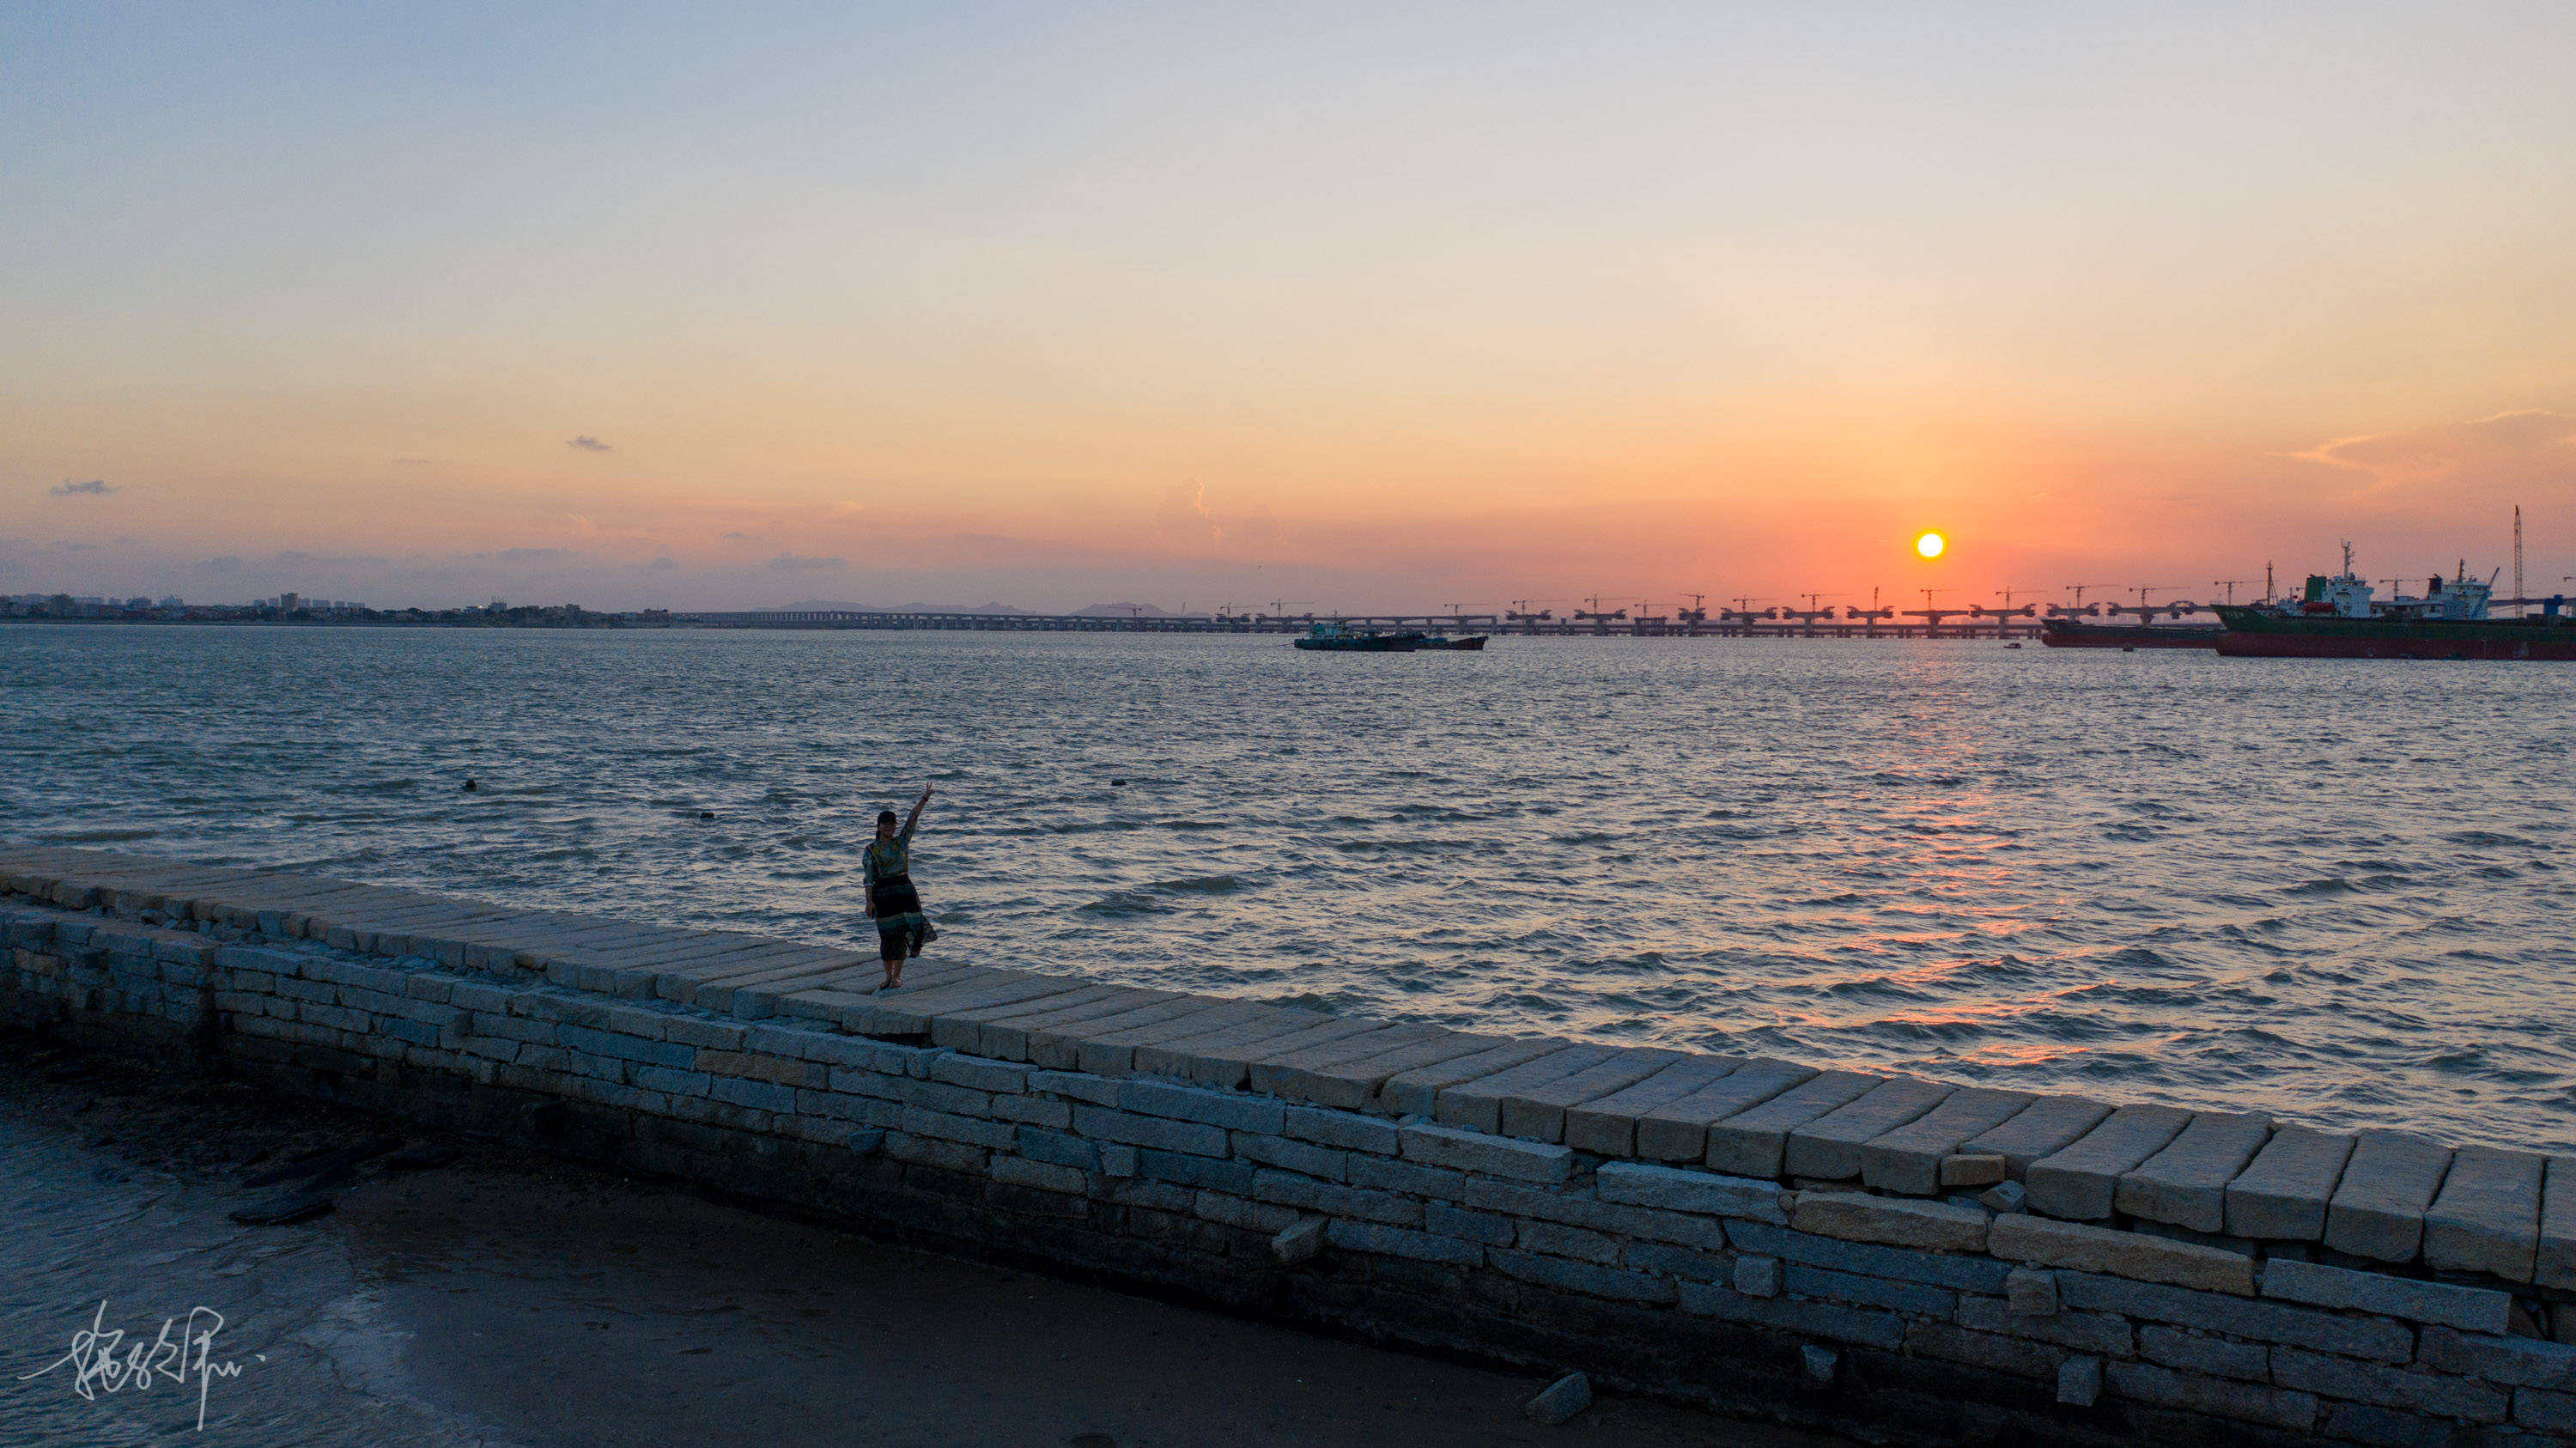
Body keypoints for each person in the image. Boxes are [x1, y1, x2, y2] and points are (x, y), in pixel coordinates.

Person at [863, 784, 935, 989]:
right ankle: (887, 976)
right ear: (878, 826)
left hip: (905, 891)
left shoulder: (902, 842)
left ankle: (897, 977)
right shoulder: (871, 850)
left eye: (892, 824)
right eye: (885, 824)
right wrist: (869, 901)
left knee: (904, 935)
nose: (889, 827)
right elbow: (868, 878)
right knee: (887, 936)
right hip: (883, 894)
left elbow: (913, 819)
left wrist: (924, 798)